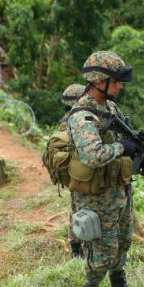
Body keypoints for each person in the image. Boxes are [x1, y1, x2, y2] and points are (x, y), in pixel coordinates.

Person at [67, 51, 144, 287]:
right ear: (98, 80)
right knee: (104, 249)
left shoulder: (110, 108)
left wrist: (141, 155)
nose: (119, 86)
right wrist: (123, 148)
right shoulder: (83, 116)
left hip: (118, 189)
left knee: (124, 241)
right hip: (96, 195)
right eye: (114, 81)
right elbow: (92, 155)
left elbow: (121, 143)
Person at [59, 84, 86, 258]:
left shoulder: (65, 120)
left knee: (76, 209)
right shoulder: (75, 121)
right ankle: (77, 250)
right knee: (80, 210)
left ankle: (76, 248)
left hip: (74, 172)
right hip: (79, 172)